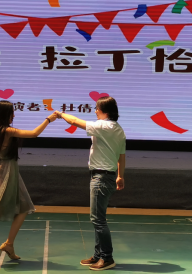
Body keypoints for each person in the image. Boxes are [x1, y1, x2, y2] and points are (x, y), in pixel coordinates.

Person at [0, 100, 59, 267]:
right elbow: (34, 133)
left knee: (24, 208)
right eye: (11, 113)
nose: (14, 116)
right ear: (5, 115)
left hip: (8, 170)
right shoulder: (7, 131)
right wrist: (48, 119)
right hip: (6, 172)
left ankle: (8, 244)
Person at [55, 96, 126, 271]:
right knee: (98, 218)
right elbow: (121, 155)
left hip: (101, 177)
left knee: (98, 220)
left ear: (104, 111)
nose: (95, 111)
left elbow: (74, 121)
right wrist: (120, 176)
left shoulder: (103, 126)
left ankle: (107, 258)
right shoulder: (118, 129)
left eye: (97, 108)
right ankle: (98, 255)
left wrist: (60, 114)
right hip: (108, 176)